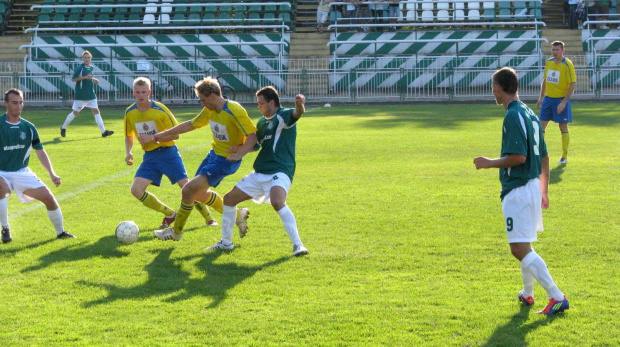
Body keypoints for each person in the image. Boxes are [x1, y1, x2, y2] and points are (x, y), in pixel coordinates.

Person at [474, 67, 569, 315]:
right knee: (524, 244)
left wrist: (489, 162)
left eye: (493, 87)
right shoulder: (529, 113)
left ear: (497, 88)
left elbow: (518, 157)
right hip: (532, 187)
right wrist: (544, 190)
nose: (492, 91)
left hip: (518, 188)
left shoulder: (513, 116)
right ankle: (527, 294)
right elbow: (545, 156)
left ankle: (557, 296)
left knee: (518, 248)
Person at [206, 86, 309, 257]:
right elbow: (256, 145)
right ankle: (226, 243)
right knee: (229, 199)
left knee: (277, 202)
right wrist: (238, 148)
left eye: (261, 103)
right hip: (260, 172)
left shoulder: (283, 116)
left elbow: (298, 114)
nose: (259, 107)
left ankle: (298, 245)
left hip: (280, 170)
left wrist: (300, 104)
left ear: (272, 102)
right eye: (258, 104)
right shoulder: (262, 122)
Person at [152, 76, 257, 241]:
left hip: (225, 161)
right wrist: (164, 134)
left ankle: (176, 232)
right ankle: (238, 215)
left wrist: (239, 153)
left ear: (213, 97)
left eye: (203, 99)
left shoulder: (234, 110)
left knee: (188, 190)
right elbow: (191, 124)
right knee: (198, 195)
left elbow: (252, 136)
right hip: (213, 156)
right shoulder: (210, 109)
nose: (202, 103)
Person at [124, 77, 216, 230]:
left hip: (168, 154)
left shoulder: (160, 109)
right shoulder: (130, 112)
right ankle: (169, 214)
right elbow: (129, 135)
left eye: (144, 92)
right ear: (133, 93)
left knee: (187, 187)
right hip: (150, 157)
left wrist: (152, 137)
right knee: (136, 190)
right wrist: (128, 152)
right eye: (138, 92)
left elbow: (175, 134)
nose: (141, 95)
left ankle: (209, 218)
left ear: (149, 92)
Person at [0, 89, 76, 243]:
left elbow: (40, 152)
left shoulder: (29, 127)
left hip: (21, 171)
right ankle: (5, 228)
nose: (18, 106)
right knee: (1, 187)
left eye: (21, 102)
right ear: (5, 104)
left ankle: (60, 232)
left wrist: (52, 174)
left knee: (48, 198)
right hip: (1, 171)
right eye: (14, 103)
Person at [536, 41, 576, 165]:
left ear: (563, 50)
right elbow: (545, 80)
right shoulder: (549, 62)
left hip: (560, 99)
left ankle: (564, 156)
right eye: (553, 50)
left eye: (557, 50)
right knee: (540, 126)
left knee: (562, 127)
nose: (555, 52)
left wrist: (564, 102)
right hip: (548, 99)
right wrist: (541, 97)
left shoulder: (567, 65)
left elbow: (573, 84)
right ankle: (538, 154)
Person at [60, 51, 114, 138]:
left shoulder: (91, 67)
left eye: (88, 57)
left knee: (96, 111)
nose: (87, 59)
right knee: (75, 113)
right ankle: (63, 127)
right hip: (81, 95)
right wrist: (85, 77)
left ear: (91, 58)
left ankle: (103, 132)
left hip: (91, 94)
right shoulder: (80, 68)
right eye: (85, 57)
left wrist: (94, 79)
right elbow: (73, 79)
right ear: (82, 58)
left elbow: (89, 77)